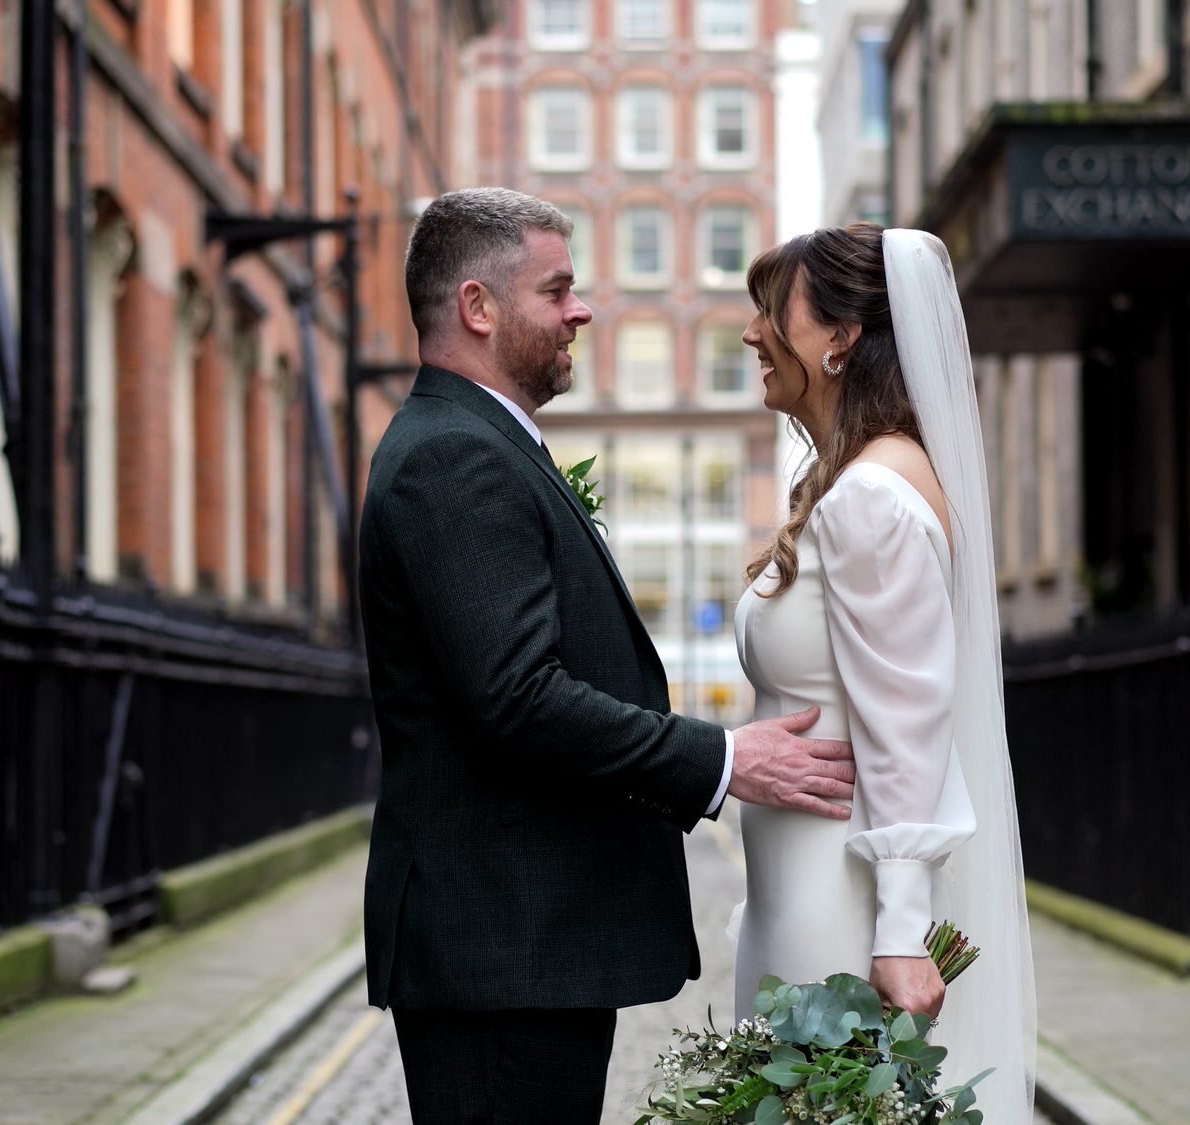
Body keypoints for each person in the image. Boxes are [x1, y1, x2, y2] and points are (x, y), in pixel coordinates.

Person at [356, 186, 858, 1124]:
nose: (581, 310)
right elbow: (518, 697)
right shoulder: (452, 456)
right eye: (557, 290)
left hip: (525, 950)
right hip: (503, 954)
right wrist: (723, 758)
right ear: (477, 306)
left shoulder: (478, 440)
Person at [729, 223, 1038, 1118]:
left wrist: (901, 934)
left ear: (841, 337)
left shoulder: (872, 495)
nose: (752, 333)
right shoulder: (855, 480)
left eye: (772, 311)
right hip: (797, 894)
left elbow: (909, 722)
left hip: (839, 908)